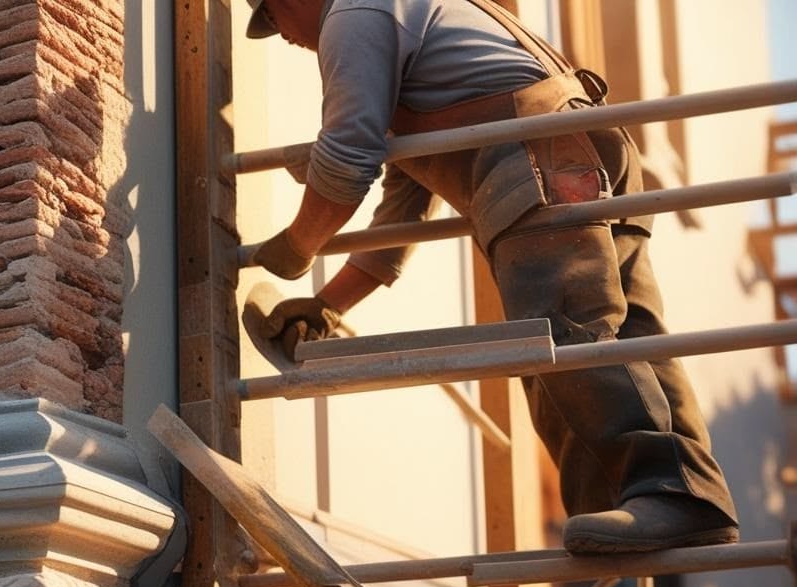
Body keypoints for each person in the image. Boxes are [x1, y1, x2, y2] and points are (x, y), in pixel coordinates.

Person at [243, 0, 738, 554]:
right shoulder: (405, 27)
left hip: (536, 155)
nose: (283, 37)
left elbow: (346, 158)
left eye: (273, 18)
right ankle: (654, 504)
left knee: (560, 336)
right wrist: (328, 304)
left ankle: (669, 496)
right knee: (623, 337)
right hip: (579, 140)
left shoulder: (355, 15)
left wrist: (297, 247)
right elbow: (402, 208)